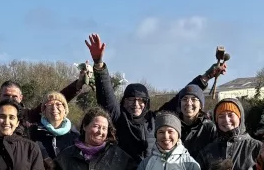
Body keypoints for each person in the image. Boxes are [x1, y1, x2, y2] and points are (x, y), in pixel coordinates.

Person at [87, 33, 227, 162]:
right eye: (131, 99)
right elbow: (106, 96)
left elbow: (182, 96)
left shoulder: (155, 120)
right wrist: (99, 65)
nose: (136, 104)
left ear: (147, 103)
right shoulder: (118, 119)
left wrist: (207, 76)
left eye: (141, 100)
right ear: (124, 102)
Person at [29, 91, 80, 160]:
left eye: (58, 104)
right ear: (44, 111)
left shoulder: (76, 136)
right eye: (50, 104)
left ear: (65, 109)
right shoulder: (33, 132)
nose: (54, 108)